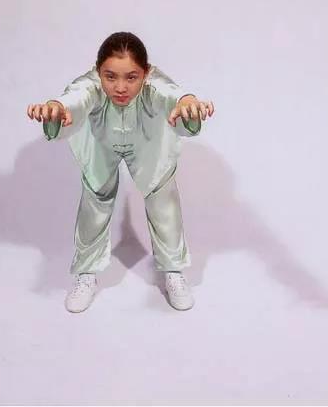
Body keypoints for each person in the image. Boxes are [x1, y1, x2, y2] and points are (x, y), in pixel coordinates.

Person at [27, 32, 214, 313]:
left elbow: (172, 94)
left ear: (145, 73)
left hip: (147, 141)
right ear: (98, 71)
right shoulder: (91, 85)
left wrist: (187, 103)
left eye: (132, 77)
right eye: (110, 76)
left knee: (162, 196)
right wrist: (57, 108)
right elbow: (75, 97)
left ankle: (173, 271)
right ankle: (86, 273)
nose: (120, 87)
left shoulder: (154, 85)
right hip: (101, 142)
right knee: (95, 198)